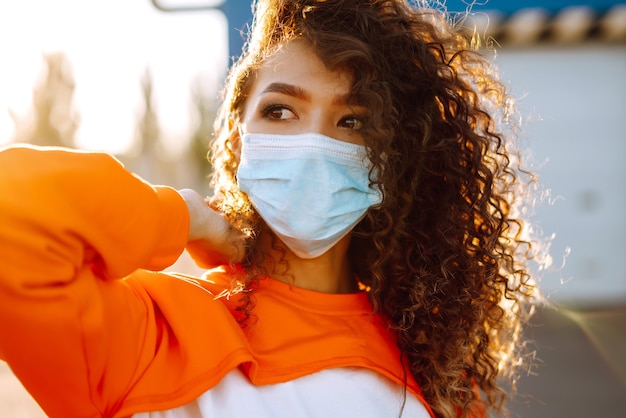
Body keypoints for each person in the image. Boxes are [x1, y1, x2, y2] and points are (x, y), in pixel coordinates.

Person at [0, 0, 540, 417]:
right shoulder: (157, 330)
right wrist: (186, 216)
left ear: (394, 159)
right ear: (238, 139)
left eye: (352, 122)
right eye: (280, 110)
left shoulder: (433, 365)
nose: (311, 143)